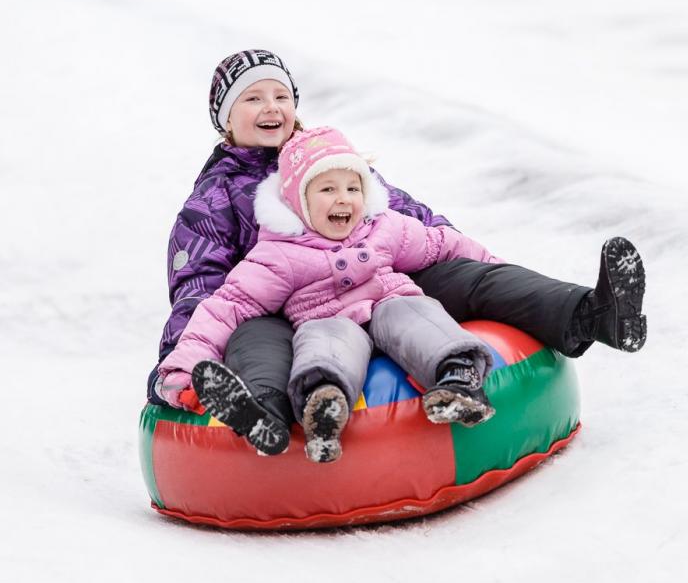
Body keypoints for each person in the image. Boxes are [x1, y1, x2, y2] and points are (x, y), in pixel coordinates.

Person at [148, 49, 647, 451]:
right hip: (286, 305)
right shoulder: (213, 197)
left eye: (281, 94)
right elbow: (206, 288)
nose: (272, 108)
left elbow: (407, 217)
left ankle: (594, 314)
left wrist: (475, 260)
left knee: (464, 277)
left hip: (378, 280)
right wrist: (178, 361)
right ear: (225, 119)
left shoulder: (327, 157)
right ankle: (264, 414)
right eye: (253, 99)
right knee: (258, 340)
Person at [159, 127, 501, 462]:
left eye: (354, 188)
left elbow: (442, 243)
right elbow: (227, 306)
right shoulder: (278, 252)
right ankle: (323, 410)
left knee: (414, 315)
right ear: (299, 204)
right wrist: (182, 364)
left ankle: (459, 378)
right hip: (325, 319)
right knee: (323, 346)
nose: (343, 198)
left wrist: (497, 267)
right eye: (327, 189)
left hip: (390, 299)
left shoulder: (382, 225)